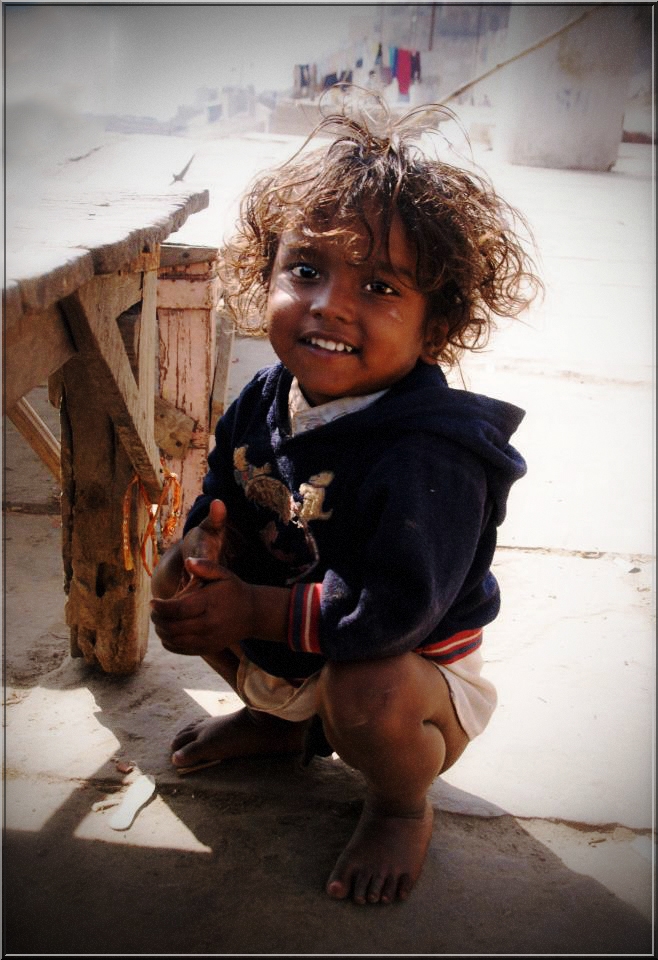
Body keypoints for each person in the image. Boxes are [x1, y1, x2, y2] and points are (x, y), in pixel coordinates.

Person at [150, 91, 540, 906]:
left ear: (437, 330)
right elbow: (226, 481)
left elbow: (391, 610)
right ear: (267, 275)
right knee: (176, 582)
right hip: (297, 623)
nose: (331, 303)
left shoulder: (433, 455)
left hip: (410, 670)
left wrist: (251, 611)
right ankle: (278, 726)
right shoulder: (266, 393)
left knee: (368, 690)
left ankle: (401, 804)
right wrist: (205, 551)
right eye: (306, 270)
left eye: (382, 287)